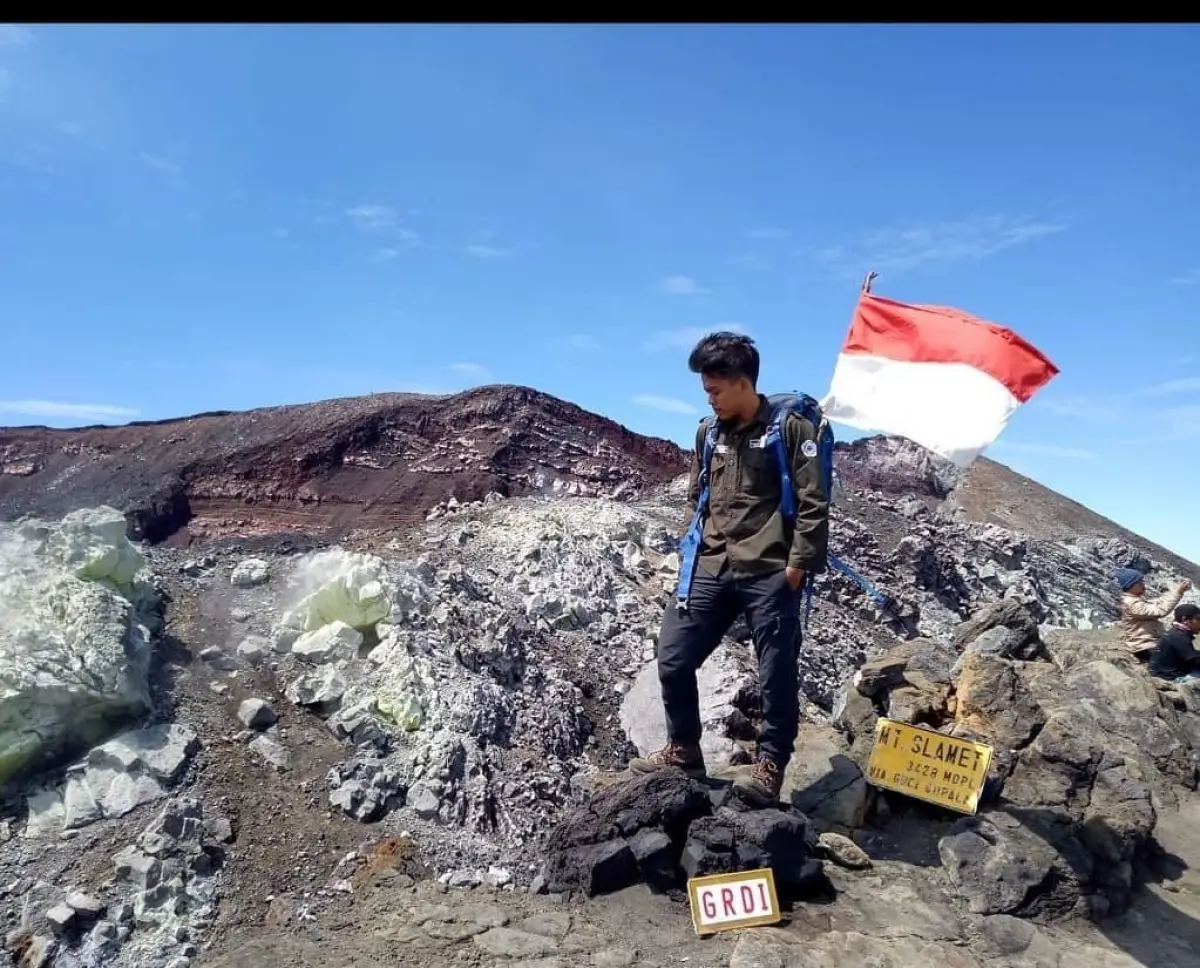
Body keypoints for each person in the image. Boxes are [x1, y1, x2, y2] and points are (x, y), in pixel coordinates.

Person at [628, 332, 830, 804]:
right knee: (673, 657)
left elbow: (814, 503)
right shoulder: (708, 433)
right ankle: (684, 750)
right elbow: (698, 496)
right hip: (711, 566)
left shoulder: (792, 429)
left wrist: (796, 569)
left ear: (743, 382)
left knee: (775, 672)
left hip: (770, 572)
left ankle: (770, 764)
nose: (710, 399)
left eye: (716, 389)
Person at [1114, 567, 1190, 659]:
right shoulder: (1132, 604)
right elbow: (1161, 610)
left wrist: (1176, 591)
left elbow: (1158, 602)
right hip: (1144, 647)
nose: (1143, 584)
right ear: (1132, 585)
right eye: (1140, 582)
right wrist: (1178, 592)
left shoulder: (1135, 600)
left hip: (1150, 644)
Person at [1148, 603, 1200, 683]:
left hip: (1162, 671)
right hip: (1167, 676)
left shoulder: (1175, 632)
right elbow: (1194, 660)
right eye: (1198, 620)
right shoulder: (1179, 637)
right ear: (1185, 620)